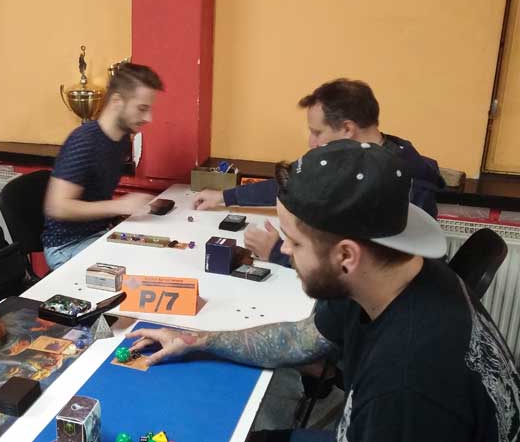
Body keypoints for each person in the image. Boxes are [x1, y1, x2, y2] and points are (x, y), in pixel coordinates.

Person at [132, 140, 520, 442]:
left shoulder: (406, 386)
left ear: (346, 255)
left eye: (295, 242)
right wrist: (195, 339)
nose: (284, 250)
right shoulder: (387, 274)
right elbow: (298, 340)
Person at [192, 79, 444, 266]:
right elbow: (298, 185)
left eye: (317, 132)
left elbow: (370, 272)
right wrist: (225, 196)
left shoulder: (403, 182)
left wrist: (279, 253)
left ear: (347, 129)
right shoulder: (350, 160)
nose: (311, 143)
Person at [42, 63, 163, 269]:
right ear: (116, 101)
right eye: (142, 108)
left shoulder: (122, 139)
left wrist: (127, 207)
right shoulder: (84, 141)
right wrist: (120, 206)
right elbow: (57, 206)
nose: (148, 118)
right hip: (66, 246)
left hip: (99, 234)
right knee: (144, 270)